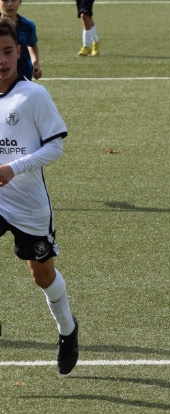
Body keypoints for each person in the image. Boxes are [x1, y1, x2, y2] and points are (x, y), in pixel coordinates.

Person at [0, 18, 77, 374]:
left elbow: (55, 148)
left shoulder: (33, 95)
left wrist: (13, 169)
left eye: (7, 52)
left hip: (29, 205)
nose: (2, 60)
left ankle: (68, 330)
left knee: (42, 276)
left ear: (18, 52)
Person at [1, 0, 40, 80]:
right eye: (5, 0)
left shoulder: (28, 26)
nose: (9, 4)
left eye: (13, 0)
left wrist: (35, 63)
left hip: (23, 73)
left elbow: (32, 44)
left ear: (20, 1)